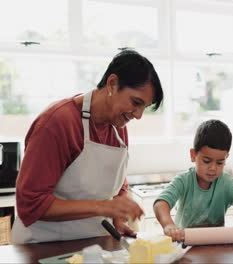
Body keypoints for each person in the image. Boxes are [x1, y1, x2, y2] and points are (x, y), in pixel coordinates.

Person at [12, 50, 164, 243]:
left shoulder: (118, 127)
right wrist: (105, 207)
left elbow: (116, 182)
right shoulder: (57, 122)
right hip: (42, 245)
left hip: (92, 244)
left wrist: (117, 215)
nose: (138, 115)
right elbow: (30, 204)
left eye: (144, 107)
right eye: (136, 103)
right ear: (112, 83)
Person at [154, 119, 233, 242]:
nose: (213, 168)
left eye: (220, 162)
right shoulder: (183, 181)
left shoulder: (226, 183)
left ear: (226, 158)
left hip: (215, 243)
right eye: (207, 161)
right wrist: (169, 225)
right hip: (184, 243)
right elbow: (161, 203)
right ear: (193, 155)